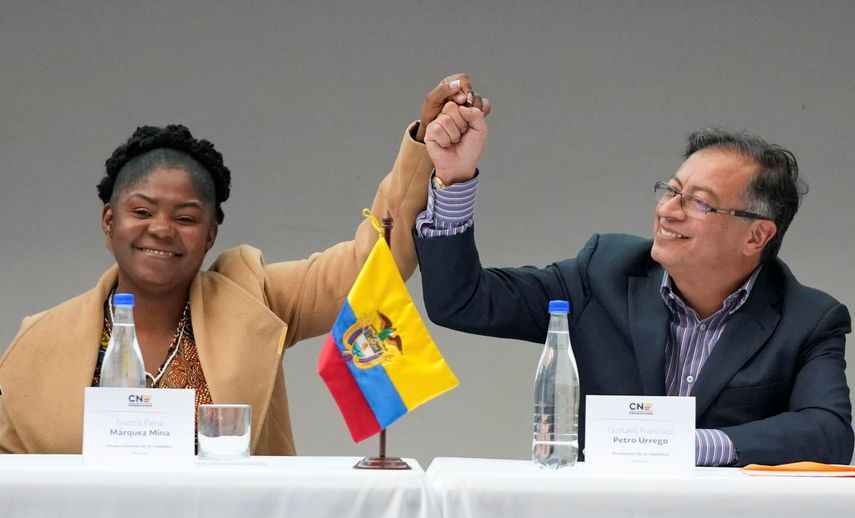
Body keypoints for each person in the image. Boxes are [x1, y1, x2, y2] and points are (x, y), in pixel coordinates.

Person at [0, 74, 488, 454]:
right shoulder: (38, 341)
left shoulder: (255, 296)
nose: (163, 229)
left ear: (211, 233)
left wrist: (424, 146)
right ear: (110, 221)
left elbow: (372, 260)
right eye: (142, 211)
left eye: (186, 217)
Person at [413, 99, 853, 466]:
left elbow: (830, 432)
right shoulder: (603, 274)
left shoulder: (808, 319)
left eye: (699, 203)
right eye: (671, 190)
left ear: (756, 235)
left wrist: (691, 445)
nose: (668, 211)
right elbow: (463, 300)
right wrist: (453, 179)